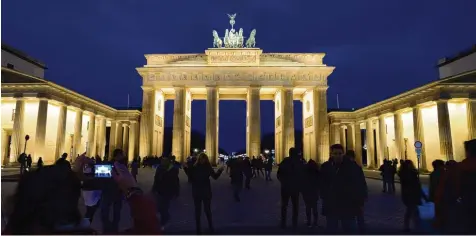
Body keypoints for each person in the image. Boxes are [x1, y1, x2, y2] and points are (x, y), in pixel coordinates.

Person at [2, 153, 160, 234]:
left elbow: (18, 218)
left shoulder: (13, 230)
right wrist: (133, 191)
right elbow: (149, 231)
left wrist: (69, 177)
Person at [320, 144, 367, 233]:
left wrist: (360, 201)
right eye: (335, 153)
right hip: (332, 205)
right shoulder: (325, 167)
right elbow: (321, 184)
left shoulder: (353, 168)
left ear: (343, 154)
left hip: (348, 205)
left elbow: (360, 185)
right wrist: (325, 195)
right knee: (332, 229)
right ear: (331, 154)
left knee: (349, 229)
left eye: (340, 153)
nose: (338, 156)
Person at [187, 153, 224, 234]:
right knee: (202, 211)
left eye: (203, 159)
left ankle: (205, 227)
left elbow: (215, 177)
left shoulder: (196, 167)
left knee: (204, 210)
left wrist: (220, 170)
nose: (202, 160)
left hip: (201, 192)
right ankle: (202, 228)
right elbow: (190, 178)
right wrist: (186, 169)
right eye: (201, 159)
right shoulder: (206, 167)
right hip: (202, 191)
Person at [277, 147, 304, 230]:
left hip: (285, 188)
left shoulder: (285, 162)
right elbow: (303, 175)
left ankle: (283, 223)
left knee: (284, 206)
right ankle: (294, 224)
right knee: (295, 206)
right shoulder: (299, 162)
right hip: (295, 188)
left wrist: (283, 182)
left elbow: (279, 174)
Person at [398, 160, 428, 232]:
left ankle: (412, 226)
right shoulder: (408, 174)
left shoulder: (405, 174)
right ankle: (414, 226)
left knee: (413, 211)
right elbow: (416, 185)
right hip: (411, 195)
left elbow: (417, 185)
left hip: (409, 195)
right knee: (412, 211)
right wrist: (423, 195)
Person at [100, 149, 125, 234]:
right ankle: (113, 228)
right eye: (122, 155)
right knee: (115, 211)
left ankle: (108, 228)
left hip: (109, 190)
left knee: (106, 211)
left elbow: (101, 177)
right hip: (115, 191)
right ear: (118, 155)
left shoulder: (109, 164)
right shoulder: (121, 165)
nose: (123, 156)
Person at [152, 156, 180, 230]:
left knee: (163, 207)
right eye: (162, 161)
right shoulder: (160, 168)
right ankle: (164, 220)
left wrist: (176, 191)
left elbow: (176, 181)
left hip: (167, 191)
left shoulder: (173, 169)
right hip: (160, 191)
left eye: (164, 161)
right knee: (160, 207)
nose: (163, 162)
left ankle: (163, 221)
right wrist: (153, 189)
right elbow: (156, 179)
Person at [345, 150, 367, 233]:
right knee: (360, 217)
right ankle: (361, 231)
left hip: (350, 198)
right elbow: (362, 183)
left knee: (351, 218)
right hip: (357, 197)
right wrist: (364, 196)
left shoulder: (344, 168)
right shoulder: (357, 168)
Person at [302, 159, 319, 227]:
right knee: (315, 208)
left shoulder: (305, 173)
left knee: (308, 208)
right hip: (314, 192)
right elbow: (319, 183)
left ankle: (309, 221)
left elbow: (302, 182)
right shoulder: (317, 172)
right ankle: (315, 222)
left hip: (307, 193)